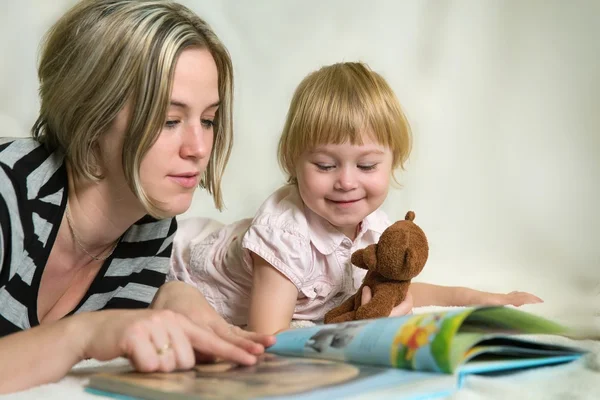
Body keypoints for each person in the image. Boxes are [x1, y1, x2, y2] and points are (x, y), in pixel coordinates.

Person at [0, 0, 274, 394]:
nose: (198, 147)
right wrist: (83, 335)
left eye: (209, 120)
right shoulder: (8, 193)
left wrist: (168, 294)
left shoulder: (150, 226)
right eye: (170, 120)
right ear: (92, 114)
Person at [170, 61, 543, 335]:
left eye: (366, 166)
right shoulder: (286, 233)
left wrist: (477, 299)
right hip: (179, 263)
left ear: (393, 161)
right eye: (325, 165)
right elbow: (268, 336)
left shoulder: (375, 228)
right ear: (292, 160)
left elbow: (396, 287)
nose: (346, 182)